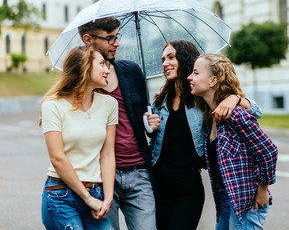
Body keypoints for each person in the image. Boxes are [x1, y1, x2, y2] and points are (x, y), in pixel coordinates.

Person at [149, 40, 263, 230]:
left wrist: (235, 98)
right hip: (158, 183)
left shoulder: (201, 98)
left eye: (171, 57)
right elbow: (154, 142)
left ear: (184, 59)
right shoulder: (159, 103)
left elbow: (256, 112)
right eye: (163, 59)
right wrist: (148, 126)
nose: (165, 63)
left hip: (188, 185)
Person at [78, 17, 160, 230]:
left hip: (139, 173)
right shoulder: (79, 84)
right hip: (99, 178)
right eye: (110, 38)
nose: (117, 43)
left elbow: (143, 119)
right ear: (88, 39)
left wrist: (150, 124)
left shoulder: (131, 71)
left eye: (117, 37)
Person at [187, 53, 278, 230]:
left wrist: (262, 189)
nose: (190, 77)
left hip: (247, 202)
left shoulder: (234, 115)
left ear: (213, 80)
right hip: (225, 200)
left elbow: (269, 151)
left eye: (196, 73)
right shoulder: (210, 117)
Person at [40, 46, 118, 229]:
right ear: (84, 67)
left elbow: (107, 154)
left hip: (97, 193)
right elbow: (57, 158)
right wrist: (87, 198)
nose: (107, 69)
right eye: (101, 64)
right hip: (60, 194)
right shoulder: (52, 105)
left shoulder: (109, 104)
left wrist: (108, 198)